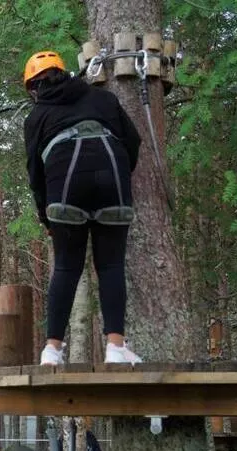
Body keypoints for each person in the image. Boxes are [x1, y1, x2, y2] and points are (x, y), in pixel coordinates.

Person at [22, 50, 144, 367]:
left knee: (66, 266)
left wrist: (45, 216)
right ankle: (115, 347)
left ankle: (52, 350)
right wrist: (117, 176)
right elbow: (133, 141)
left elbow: (36, 174)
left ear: (34, 88)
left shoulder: (36, 117)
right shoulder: (103, 99)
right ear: (62, 74)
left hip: (65, 186)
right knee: (111, 265)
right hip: (112, 179)